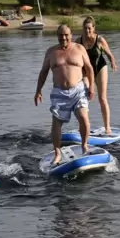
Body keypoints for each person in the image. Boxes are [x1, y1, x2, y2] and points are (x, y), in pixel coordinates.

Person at [34, 24, 95, 164]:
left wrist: (91, 87)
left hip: (78, 90)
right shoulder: (51, 52)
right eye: (60, 35)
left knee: (83, 118)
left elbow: (89, 68)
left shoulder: (79, 49)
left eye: (66, 34)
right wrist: (38, 91)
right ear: (57, 36)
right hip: (59, 92)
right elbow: (43, 73)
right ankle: (57, 152)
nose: (63, 38)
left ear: (71, 35)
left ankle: (84, 145)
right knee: (56, 123)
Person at [77, 16, 118, 134]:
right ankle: (85, 126)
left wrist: (113, 63)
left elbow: (109, 54)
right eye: (85, 28)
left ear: (94, 28)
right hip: (86, 72)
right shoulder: (78, 42)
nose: (87, 31)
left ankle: (107, 127)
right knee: (83, 97)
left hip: (100, 68)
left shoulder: (99, 40)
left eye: (89, 28)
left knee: (102, 98)